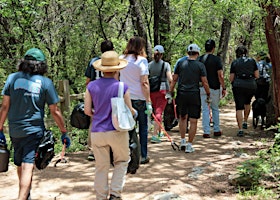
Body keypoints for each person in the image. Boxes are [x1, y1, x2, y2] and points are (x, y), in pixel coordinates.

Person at [0, 48, 71, 200]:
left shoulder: (12, 79)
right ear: (42, 65)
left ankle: (26, 195)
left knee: (20, 163)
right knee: (27, 165)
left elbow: (5, 106)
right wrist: (64, 131)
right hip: (34, 130)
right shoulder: (45, 82)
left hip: (15, 130)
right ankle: (22, 197)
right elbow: (55, 111)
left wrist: (0, 128)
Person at [84, 50, 136, 200]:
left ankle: (101, 196)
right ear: (117, 69)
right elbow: (129, 110)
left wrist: (98, 114)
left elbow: (87, 110)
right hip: (117, 131)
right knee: (121, 161)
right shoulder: (122, 87)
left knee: (101, 166)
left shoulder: (91, 86)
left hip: (97, 132)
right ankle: (115, 193)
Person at [170, 44, 210, 153]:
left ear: (188, 52)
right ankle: (189, 144)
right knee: (193, 120)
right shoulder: (200, 66)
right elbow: (204, 82)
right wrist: (208, 93)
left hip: (182, 93)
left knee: (182, 117)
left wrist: (171, 91)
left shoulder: (180, 64)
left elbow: (174, 79)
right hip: (194, 94)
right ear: (197, 53)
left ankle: (182, 140)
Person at [119, 36, 152, 164]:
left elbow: (117, 77)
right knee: (143, 129)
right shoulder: (142, 61)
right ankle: (143, 155)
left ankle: (127, 155)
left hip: (124, 98)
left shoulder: (121, 60)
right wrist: (148, 101)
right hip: (139, 99)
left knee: (127, 128)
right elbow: (144, 82)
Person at [84, 40, 114, 161]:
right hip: (110, 92)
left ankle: (92, 149)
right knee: (111, 119)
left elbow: (88, 80)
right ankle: (109, 148)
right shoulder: (113, 61)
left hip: (95, 92)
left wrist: (89, 94)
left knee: (94, 120)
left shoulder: (93, 61)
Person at [198, 39, 226, 138]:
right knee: (215, 108)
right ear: (213, 48)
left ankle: (206, 131)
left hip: (202, 88)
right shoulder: (217, 60)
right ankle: (216, 129)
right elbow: (220, 75)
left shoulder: (200, 59)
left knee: (205, 109)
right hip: (214, 88)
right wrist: (224, 87)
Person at [230, 45, 259, 137]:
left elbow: (231, 78)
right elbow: (257, 75)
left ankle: (240, 129)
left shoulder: (235, 62)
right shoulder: (252, 61)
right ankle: (245, 121)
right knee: (247, 102)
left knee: (239, 107)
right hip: (251, 84)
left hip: (238, 85)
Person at [148, 45, 173, 143]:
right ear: (162, 55)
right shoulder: (166, 65)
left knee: (156, 111)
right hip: (163, 92)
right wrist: (171, 90)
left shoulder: (149, 65)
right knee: (159, 112)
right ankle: (155, 135)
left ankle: (159, 131)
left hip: (152, 91)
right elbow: (170, 79)